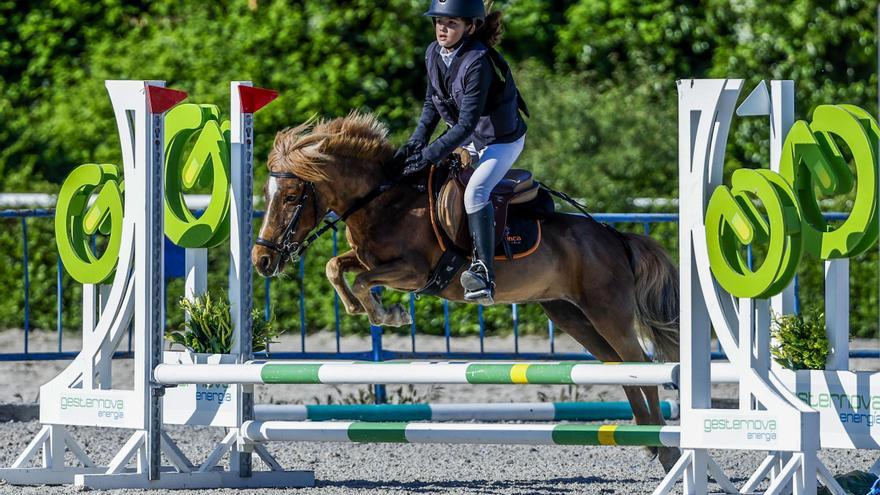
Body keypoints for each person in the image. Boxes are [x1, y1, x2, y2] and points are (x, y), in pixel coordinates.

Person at [396, 0, 528, 306]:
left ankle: (484, 272)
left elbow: (468, 123)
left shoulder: (477, 61)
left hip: (500, 141)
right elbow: (432, 104)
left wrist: (430, 154)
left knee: (475, 193)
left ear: (470, 26)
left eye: (452, 23)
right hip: (469, 138)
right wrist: (415, 144)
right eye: (439, 22)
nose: (443, 29)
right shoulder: (433, 53)